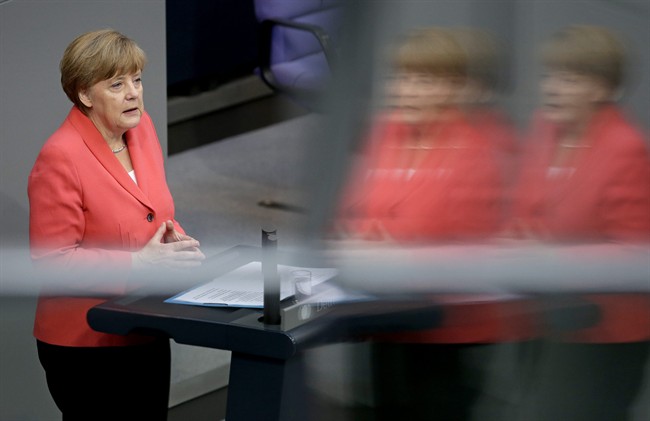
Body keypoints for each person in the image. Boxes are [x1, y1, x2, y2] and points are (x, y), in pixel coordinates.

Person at [334, 27, 515, 420]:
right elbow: (351, 210)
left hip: (448, 327)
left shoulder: (480, 149)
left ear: (457, 88)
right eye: (402, 78)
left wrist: (393, 254)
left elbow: (476, 250)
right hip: (386, 315)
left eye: (425, 80)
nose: (408, 90)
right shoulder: (385, 130)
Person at [28, 29, 205, 420]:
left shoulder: (141, 130)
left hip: (144, 325)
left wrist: (177, 243)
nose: (134, 93)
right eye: (117, 84)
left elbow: (152, 211)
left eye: (137, 80)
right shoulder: (60, 157)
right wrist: (138, 265)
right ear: (85, 95)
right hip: (86, 344)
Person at [510, 25, 650, 421]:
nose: (552, 88)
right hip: (545, 311)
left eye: (569, 79)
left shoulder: (626, 148)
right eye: (549, 76)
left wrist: (552, 256)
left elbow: (634, 253)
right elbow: (527, 205)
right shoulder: (545, 128)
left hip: (605, 325)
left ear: (604, 88)